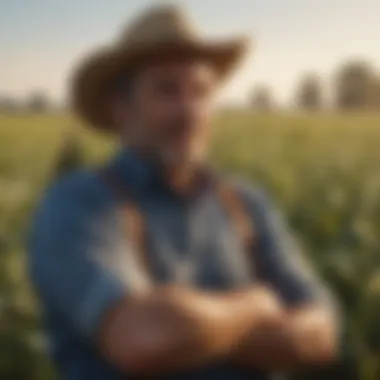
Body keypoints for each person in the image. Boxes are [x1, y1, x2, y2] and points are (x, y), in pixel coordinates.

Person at [28, 4, 339, 380]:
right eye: (167, 90)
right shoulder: (80, 203)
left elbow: (323, 331)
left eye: (201, 91)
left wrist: (190, 325)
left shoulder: (245, 202)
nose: (190, 110)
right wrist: (257, 304)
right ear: (121, 107)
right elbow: (143, 340)